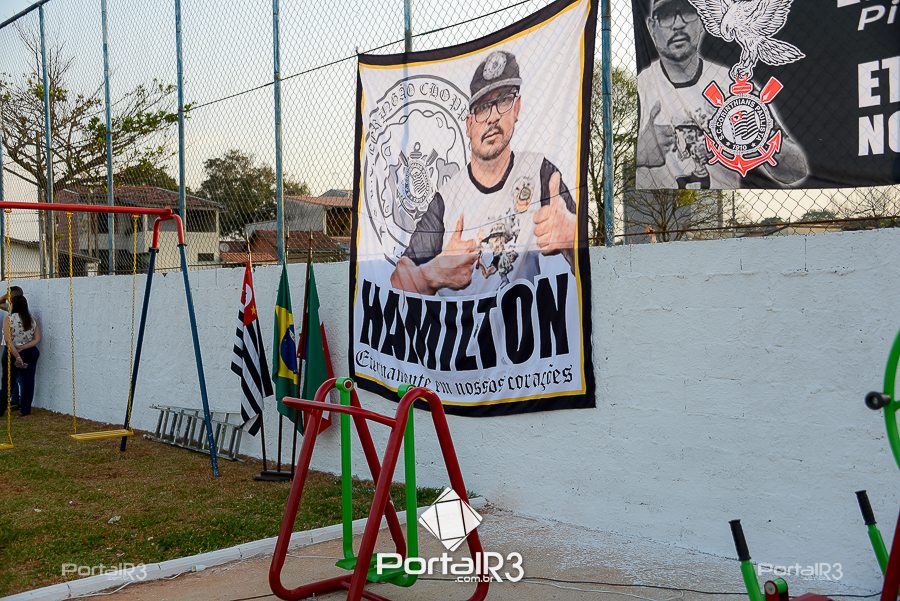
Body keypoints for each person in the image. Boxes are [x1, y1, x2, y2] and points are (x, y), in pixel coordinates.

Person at [390, 50, 577, 296]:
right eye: (482, 107)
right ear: (469, 125)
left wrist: (572, 235)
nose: (493, 117)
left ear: (517, 108)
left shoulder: (540, 172)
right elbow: (398, 282)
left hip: (519, 320)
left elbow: (588, 263)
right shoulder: (447, 198)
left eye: (503, 101)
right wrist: (433, 273)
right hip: (464, 322)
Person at [635, 0, 809, 189]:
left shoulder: (732, 86)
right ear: (651, 27)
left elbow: (796, 171)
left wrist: (762, 136)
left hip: (720, 202)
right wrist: (641, 153)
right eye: (666, 15)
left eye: (688, 12)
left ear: (701, 22)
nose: (678, 24)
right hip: (656, 204)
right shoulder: (639, 88)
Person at [0, 295, 41, 416]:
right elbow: (37, 339)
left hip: (12, 352)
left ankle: (1, 409)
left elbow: (8, 341)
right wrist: (24, 347)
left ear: (13, 305)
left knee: (7, 382)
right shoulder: (32, 319)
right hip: (30, 352)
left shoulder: (8, 319)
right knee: (28, 381)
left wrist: (17, 356)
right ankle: (25, 410)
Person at [0, 286, 24, 410]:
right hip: (19, 347)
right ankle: (15, 400)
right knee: (14, 377)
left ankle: (16, 400)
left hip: (13, 347)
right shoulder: (14, 308)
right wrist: (6, 296)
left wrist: (6, 296)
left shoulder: (16, 310)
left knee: (14, 376)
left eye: (10, 296)